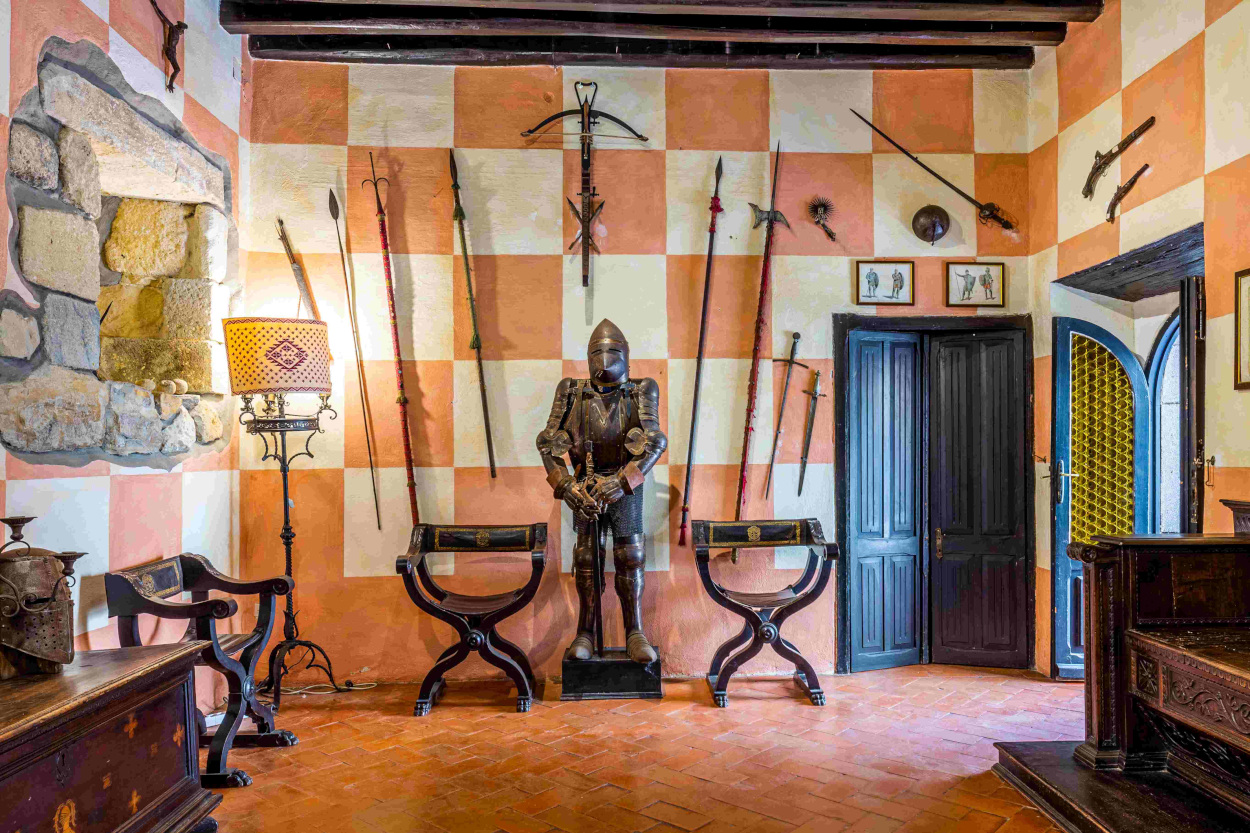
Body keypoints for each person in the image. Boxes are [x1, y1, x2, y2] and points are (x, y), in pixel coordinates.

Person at [536, 320, 667, 664]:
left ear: (625, 354)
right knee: (586, 559)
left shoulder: (641, 390)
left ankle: (635, 632)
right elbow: (547, 443)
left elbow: (654, 441)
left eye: (612, 351)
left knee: (631, 556)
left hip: (625, 488)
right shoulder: (571, 390)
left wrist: (622, 483)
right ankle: (586, 632)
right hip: (586, 487)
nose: (605, 358)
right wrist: (566, 487)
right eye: (598, 351)